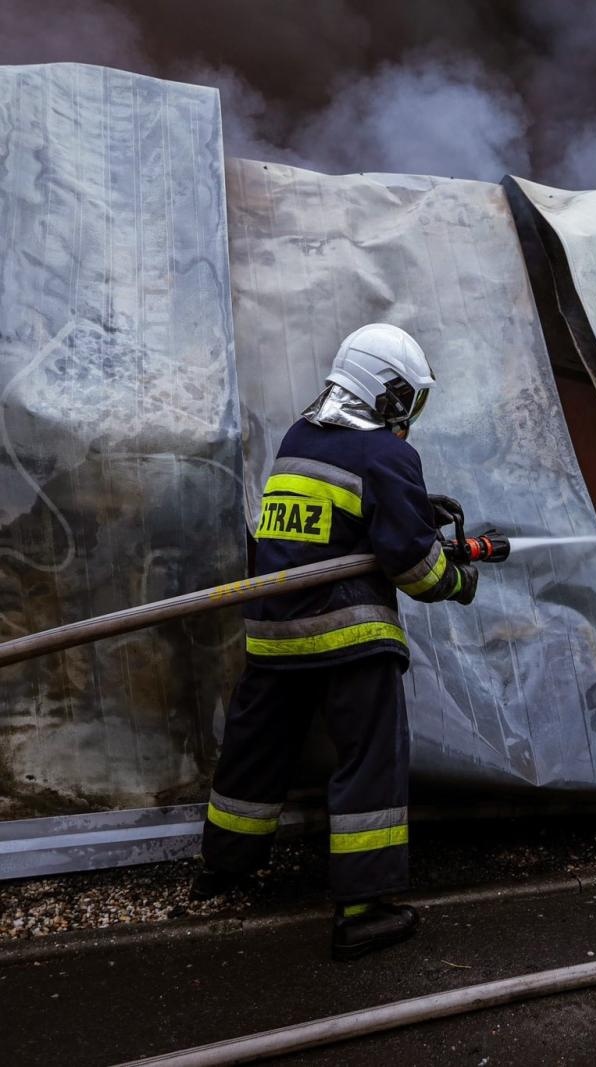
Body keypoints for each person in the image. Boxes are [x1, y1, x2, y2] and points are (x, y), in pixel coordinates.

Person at [192, 323, 478, 961]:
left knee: (255, 751)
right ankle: (362, 909)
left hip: (272, 631)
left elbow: (335, 516)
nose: (409, 413)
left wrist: (412, 505)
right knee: (369, 762)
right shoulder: (388, 455)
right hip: (349, 637)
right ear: (386, 392)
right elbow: (415, 568)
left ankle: (224, 867)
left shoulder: (300, 438)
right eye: (407, 397)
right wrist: (460, 581)